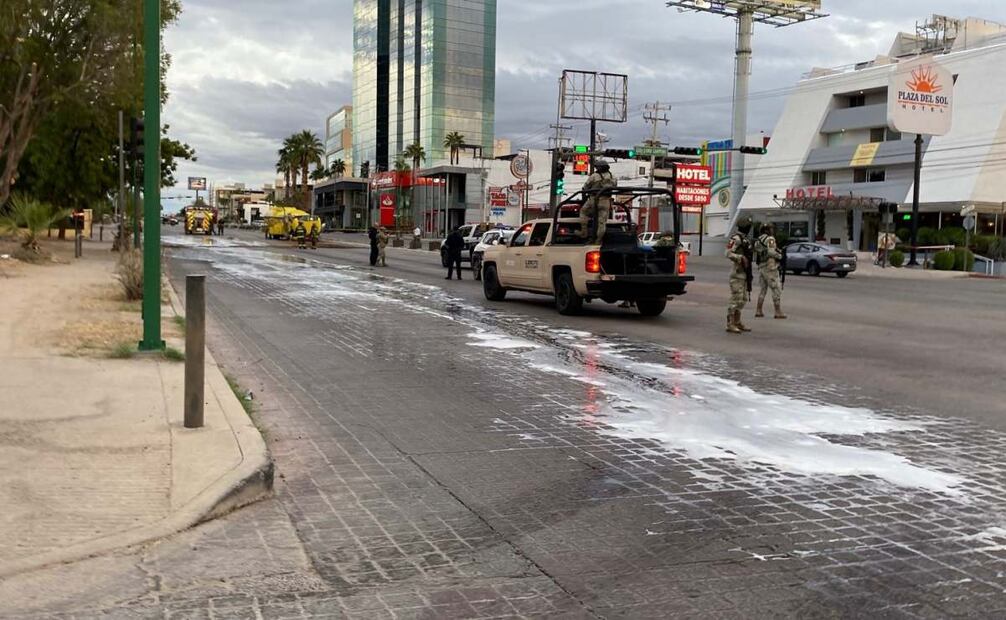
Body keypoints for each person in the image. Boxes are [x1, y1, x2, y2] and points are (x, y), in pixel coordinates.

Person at [725, 218, 754, 334]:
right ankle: (730, 323)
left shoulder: (745, 239)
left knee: (743, 299)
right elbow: (727, 253)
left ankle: (737, 321)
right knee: (735, 298)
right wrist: (740, 258)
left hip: (745, 273)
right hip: (737, 273)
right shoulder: (736, 239)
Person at [579, 159, 617, 243]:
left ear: (599, 168)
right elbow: (615, 187)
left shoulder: (594, 176)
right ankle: (598, 240)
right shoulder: (613, 177)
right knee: (602, 222)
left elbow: (585, 187)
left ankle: (584, 232)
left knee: (583, 212)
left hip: (594, 199)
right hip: (606, 201)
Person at [754, 223, 787, 319]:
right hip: (770, 266)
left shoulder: (758, 241)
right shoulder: (770, 239)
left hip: (761, 266)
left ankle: (758, 310)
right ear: (767, 230)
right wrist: (780, 256)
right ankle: (778, 311)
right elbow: (771, 252)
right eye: (771, 229)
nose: (772, 231)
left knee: (763, 289)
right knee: (776, 288)